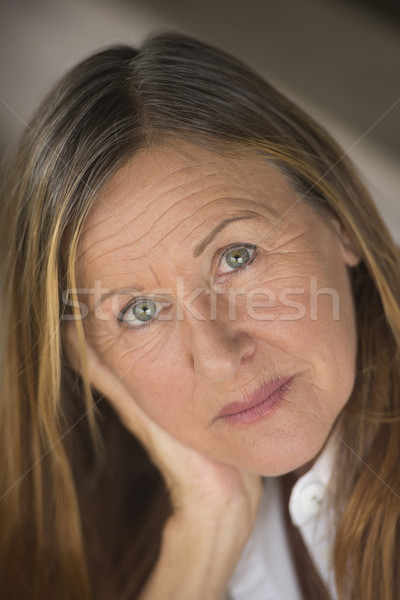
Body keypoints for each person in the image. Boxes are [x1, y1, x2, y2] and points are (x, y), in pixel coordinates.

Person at [0, 32, 399, 600]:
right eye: (139, 311)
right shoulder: (107, 539)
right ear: (88, 356)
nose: (217, 355)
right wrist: (204, 533)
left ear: (339, 223)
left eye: (237, 257)